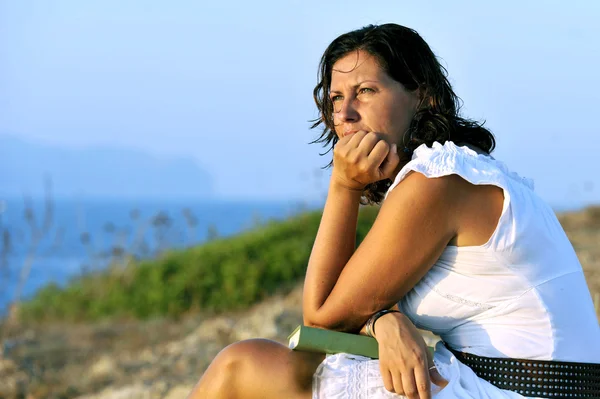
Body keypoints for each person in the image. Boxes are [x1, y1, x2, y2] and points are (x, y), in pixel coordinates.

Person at [188, 23, 600, 399]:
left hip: (518, 390)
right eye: (336, 98)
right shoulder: (462, 170)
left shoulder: (437, 182)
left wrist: (343, 185)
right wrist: (381, 321)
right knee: (292, 369)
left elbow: (321, 319)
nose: (345, 115)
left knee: (241, 367)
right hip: (517, 381)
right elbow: (366, 298)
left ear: (421, 95)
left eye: (365, 91)